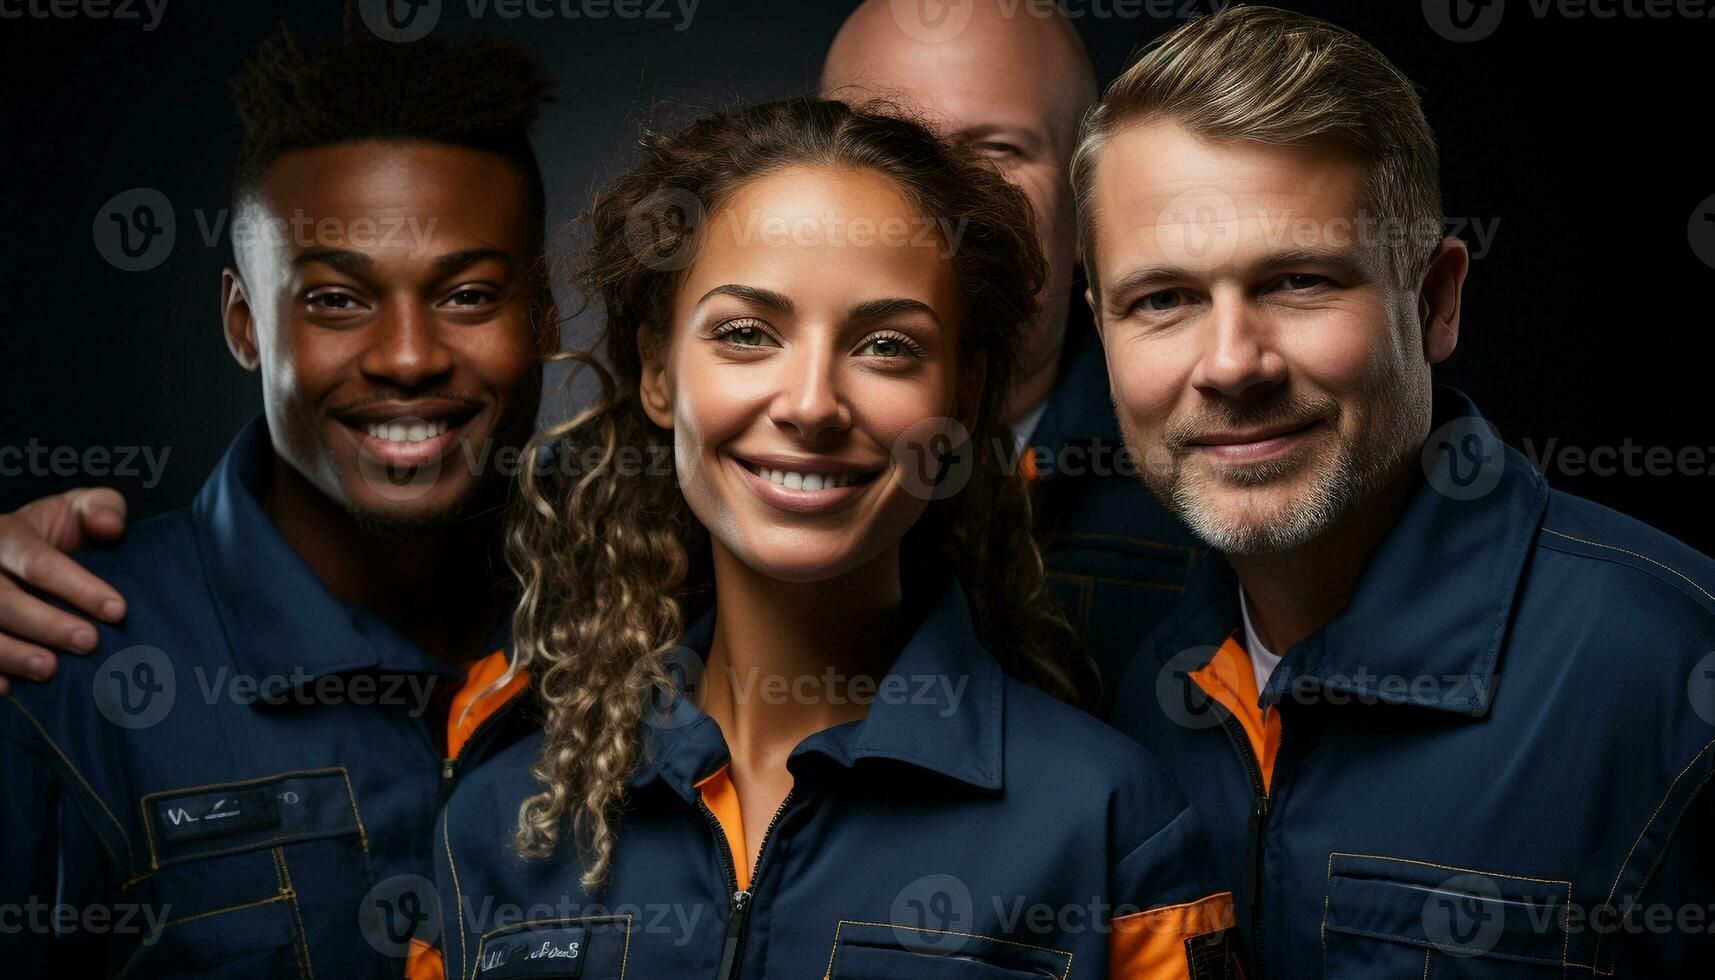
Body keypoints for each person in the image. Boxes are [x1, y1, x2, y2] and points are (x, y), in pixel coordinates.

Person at [0, 0, 1199, 710]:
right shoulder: (616, 560)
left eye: (991, 152)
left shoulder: (1218, 501)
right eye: (745, 332)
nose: (409, 353)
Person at [416, 98, 1237, 980]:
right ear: (657, 372)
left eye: (885, 345)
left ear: (962, 399)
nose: (810, 403)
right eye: (745, 334)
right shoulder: (493, 830)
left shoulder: (1107, 819)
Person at [1078, 7, 1715, 975]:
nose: (1228, 363)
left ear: (1433, 300)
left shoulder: (1672, 674)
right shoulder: (1146, 693)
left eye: (1296, 280)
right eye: (1160, 299)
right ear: (1102, 326)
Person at [0, 22, 556, 976]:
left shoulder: (659, 624)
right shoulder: (59, 659)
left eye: (467, 295)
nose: (410, 355)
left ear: (541, 315)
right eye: (337, 300)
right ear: (244, 323)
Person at [822, 0, 1202, 698]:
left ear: (1087, 206)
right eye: (885, 149)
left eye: (997, 151)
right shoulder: (714, 467)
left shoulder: (1208, 459)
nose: (937, 199)